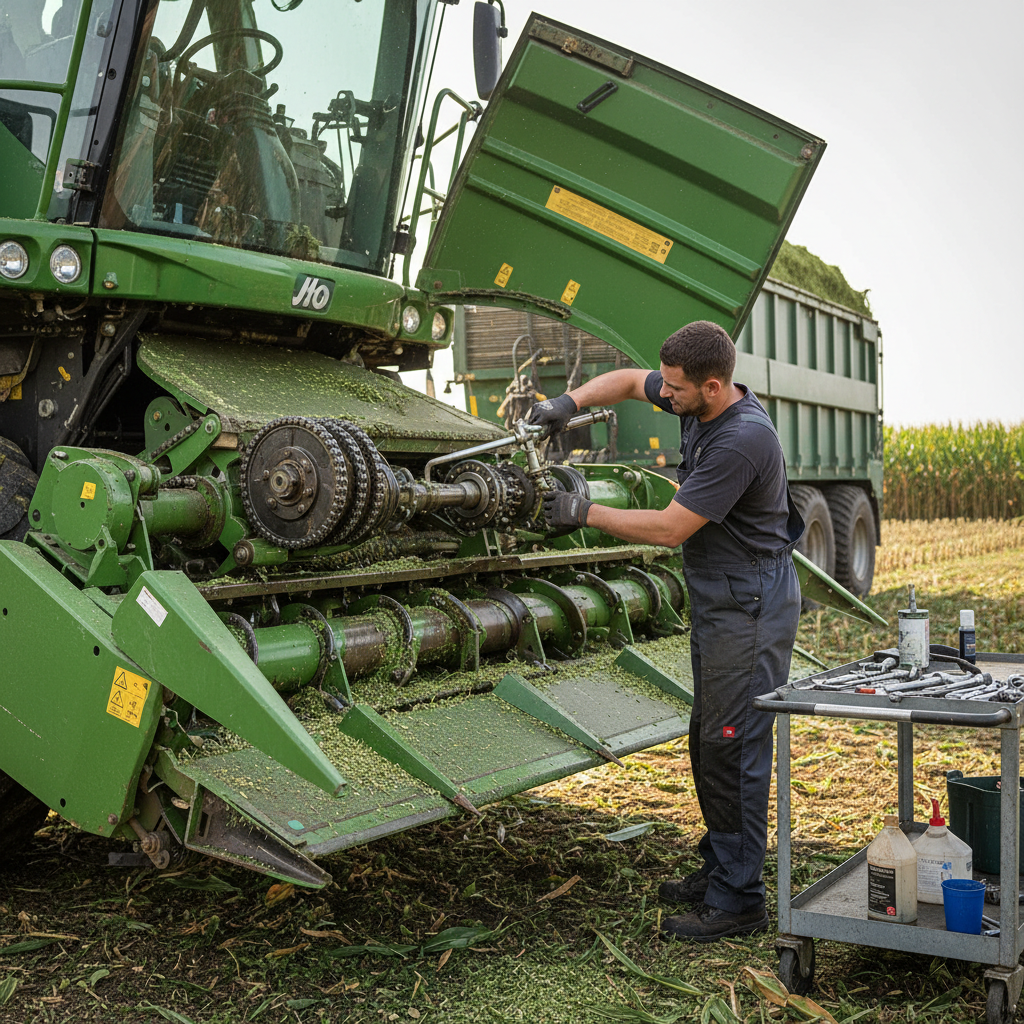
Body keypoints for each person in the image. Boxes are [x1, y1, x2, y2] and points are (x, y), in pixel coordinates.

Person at [529, 320, 804, 942]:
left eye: (675, 391)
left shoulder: (741, 440)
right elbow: (629, 380)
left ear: (712, 386)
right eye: (667, 385)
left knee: (734, 746)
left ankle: (740, 900)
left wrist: (584, 512)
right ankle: (720, 869)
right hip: (722, 597)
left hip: (749, 602)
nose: (665, 397)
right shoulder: (696, 396)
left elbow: (667, 529)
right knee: (709, 737)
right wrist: (566, 406)